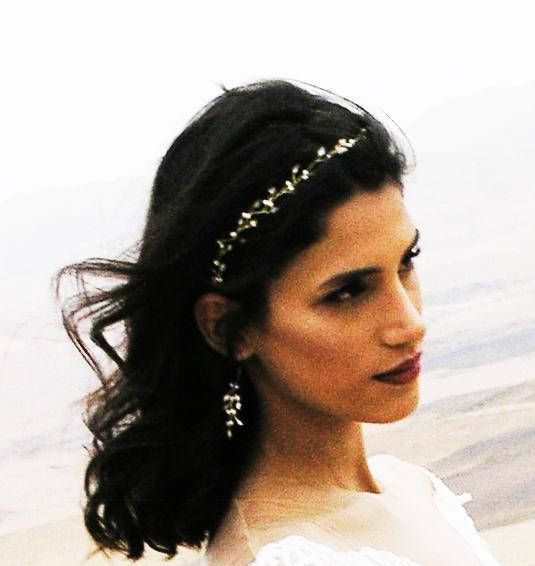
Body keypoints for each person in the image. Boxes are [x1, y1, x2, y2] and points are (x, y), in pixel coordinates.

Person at [56, 79, 503, 565]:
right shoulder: (283, 557)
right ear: (229, 327)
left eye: (406, 262)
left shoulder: (416, 490)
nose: (410, 324)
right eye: (347, 292)